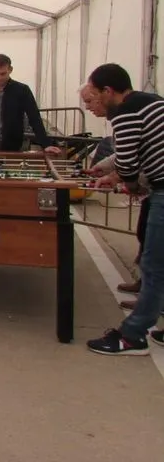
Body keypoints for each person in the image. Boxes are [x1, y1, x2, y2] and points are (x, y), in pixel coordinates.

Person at [83, 64, 164, 356]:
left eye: (93, 96)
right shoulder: (149, 101)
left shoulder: (126, 111)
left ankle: (133, 336)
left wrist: (126, 183)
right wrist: (109, 170)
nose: (92, 104)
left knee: (154, 264)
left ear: (108, 91)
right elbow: (136, 151)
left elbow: (129, 163)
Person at [0, 54, 59, 153]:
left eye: (3, 74)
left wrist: (46, 144)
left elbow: (34, 117)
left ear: (10, 70)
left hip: (9, 147)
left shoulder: (22, 90)